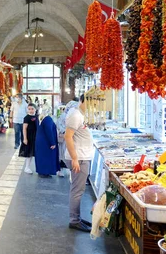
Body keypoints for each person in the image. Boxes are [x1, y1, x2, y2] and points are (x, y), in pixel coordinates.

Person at [65, 94, 95, 232]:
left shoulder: (81, 114)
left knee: (78, 189)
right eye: (89, 103)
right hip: (79, 158)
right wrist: (75, 158)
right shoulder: (76, 115)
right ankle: (74, 220)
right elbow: (68, 136)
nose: (91, 106)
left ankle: (76, 217)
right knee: (77, 190)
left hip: (82, 157)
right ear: (82, 101)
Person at [57, 100, 80, 177]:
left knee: (69, 154)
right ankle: (60, 170)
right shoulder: (64, 115)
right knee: (63, 154)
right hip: (64, 138)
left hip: (71, 138)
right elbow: (59, 125)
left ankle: (71, 172)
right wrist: (64, 132)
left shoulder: (75, 116)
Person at [35, 110, 60, 178]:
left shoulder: (40, 118)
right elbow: (49, 131)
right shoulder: (48, 119)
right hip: (46, 142)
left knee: (41, 156)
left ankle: (41, 171)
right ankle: (45, 172)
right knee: (47, 157)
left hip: (40, 141)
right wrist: (52, 143)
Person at [20, 103, 38, 173]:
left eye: (32, 109)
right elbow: (24, 128)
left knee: (34, 152)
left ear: (35, 109)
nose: (31, 110)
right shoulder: (26, 118)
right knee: (29, 153)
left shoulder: (37, 116)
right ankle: (27, 167)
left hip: (35, 136)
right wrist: (25, 138)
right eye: (29, 109)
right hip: (29, 136)